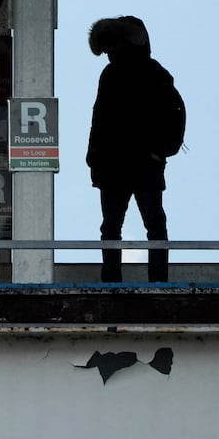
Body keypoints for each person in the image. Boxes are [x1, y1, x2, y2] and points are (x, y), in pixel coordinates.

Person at [87, 16, 186, 283]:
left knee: (114, 226)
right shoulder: (155, 72)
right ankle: (157, 280)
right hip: (141, 164)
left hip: (118, 165)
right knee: (152, 225)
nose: (108, 54)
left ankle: (113, 279)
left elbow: (100, 118)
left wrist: (94, 156)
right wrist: (160, 151)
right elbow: (175, 115)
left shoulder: (116, 74)